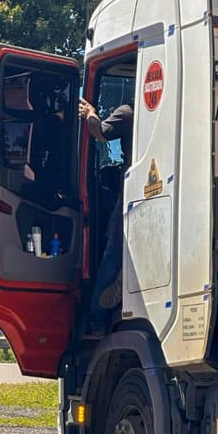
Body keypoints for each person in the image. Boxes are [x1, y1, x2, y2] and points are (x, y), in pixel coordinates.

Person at [78, 97, 134, 334]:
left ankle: (97, 315)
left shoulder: (127, 112)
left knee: (114, 249)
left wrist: (90, 112)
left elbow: (100, 132)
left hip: (132, 188)